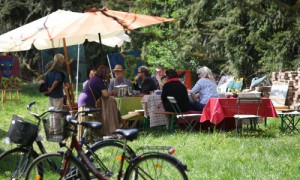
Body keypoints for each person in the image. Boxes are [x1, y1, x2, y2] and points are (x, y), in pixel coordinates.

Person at [77, 65, 113, 140]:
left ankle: (87, 140)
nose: (107, 75)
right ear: (103, 73)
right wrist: (113, 92)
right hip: (86, 102)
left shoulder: (95, 79)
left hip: (84, 100)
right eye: (107, 73)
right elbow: (105, 94)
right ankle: (91, 140)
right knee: (91, 122)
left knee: (88, 121)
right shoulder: (98, 80)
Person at [43, 53, 66, 135]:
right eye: (63, 59)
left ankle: (51, 129)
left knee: (52, 112)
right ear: (60, 60)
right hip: (56, 94)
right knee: (57, 112)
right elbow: (57, 80)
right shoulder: (58, 69)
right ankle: (57, 131)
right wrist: (51, 89)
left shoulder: (49, 68)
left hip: (50, 94)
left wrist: (48, 90)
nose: (64, 61)